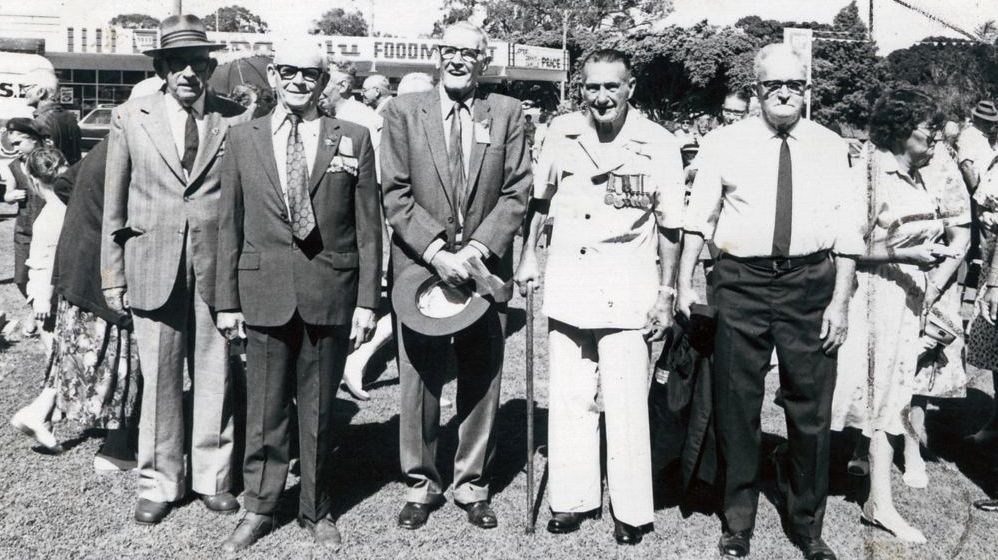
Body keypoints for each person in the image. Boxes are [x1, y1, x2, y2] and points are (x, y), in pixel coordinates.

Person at [677, 43, 862, 560]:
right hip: (740, 283)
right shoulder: (721, 143)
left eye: (796, 85)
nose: (785, 93)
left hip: (810, 284)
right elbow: (699, 220)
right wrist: (686, 283)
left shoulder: (830, 146)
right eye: (773, 85)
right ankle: (737, 521)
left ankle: (807, 523)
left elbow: (848, 231)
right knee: (737, 406)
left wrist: (840, 302)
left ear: (808, 89)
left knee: (811, 410)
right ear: (756, 89)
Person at [215, 37, 380, 552]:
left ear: (323, 81)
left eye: (309, 74)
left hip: (329, 290)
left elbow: (369, 226)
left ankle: (317, 508)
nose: (299, 82)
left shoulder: (351, 136)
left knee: (318, 410)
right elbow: (229, 225)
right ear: (273, 74)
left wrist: (368, 302)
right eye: (288, 72)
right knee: (265, 409)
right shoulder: (243, 138)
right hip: (262, 289)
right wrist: (227, 301)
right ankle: (260, 506)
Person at [514, 48, 684, 545]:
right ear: (580, 89)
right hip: (570, 281)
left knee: (627, 400)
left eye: (613, 86)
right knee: (568, 397)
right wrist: (529, 257)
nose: (602, 96)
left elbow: (671, 226)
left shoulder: (658, 143)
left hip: (627, 286)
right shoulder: (560, 134)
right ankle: (572, 500)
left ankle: (631, 510)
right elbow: (540, 203)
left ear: (631, 88)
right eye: (592, 87)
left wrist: (666, 292)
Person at [381, 20, 531, 531]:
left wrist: (479, 251)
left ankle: (472, 484)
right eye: (450, 50)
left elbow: (517, 192)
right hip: (420, 269)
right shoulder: (402, 112)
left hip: (483, 270)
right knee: (418, 378)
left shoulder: (508, 113)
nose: (458, 60)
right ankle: (421, 484)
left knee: (482, 375)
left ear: (483, 61)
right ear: (437, 54)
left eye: (470, 53)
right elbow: (395, 194)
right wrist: (437, 250)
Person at [100, 14, 249, 525]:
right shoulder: (129, 116)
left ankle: (213, 478)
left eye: (198, 63)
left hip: (216, 268)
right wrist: (112, 276)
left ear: (210, 67)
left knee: (216, 375)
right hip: (150, 264)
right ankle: (159, 482)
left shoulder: (232, 119)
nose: (189, 72)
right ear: (162, 67)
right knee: (160, 378)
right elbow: (112, 206)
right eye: (178, 63)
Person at [831, 89, 951, 545]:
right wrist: (905, 252)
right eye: (929, 130)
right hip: (872, 303)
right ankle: (877, 502)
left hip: (906, 304)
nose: (937, 138)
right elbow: (843, 246)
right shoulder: (868, 175)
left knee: (891, 398)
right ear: (902, 130)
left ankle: (874, 499)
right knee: (870, 399)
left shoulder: (916, 177)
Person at [10, 141, 142, 471]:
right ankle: (115, 450)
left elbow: (66, 184)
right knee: (118, 357)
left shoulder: (104, 149)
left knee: (77, 353)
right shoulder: (132, 147)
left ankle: (40, 412)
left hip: (80, 272)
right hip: (103, 272)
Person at [339, 70, 437, 402]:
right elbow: (386, 193)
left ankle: (425, 384)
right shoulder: (392, 130)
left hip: (429, 235)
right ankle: (358, 360)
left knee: (420, 309)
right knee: (407, 307)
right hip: (404, 235)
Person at [904, 124, 972, 489]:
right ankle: (861, 445)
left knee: (918, 371)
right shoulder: (876, 159)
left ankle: (912, 450)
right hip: (883, 274)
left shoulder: (942, 168)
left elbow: (961, 235)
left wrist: (934, 285)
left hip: (931, 278)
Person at [1, 118, 47, 299]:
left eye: (19, 143)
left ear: (33, 139)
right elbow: (7, 194)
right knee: (21, 277)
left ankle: (44, 312)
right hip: (24, 228)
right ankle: (33, 307)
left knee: (46, 273)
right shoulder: (13, 166)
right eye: (13, 145)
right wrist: (11, 196)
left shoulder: (51, 159)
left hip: (48, 227)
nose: (16, 148)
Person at [24, 68, 82, 164]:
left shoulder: (41, 121)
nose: (23, 92)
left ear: (41, 92)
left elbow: (45, 165)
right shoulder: (70, 117)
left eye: (26, 87)